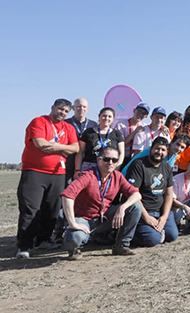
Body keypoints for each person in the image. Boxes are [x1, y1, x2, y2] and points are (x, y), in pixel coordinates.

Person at [16, 99, 79, 258]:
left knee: (52, 209)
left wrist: (55, 146)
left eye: (66, 111)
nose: (63, 113)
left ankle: (43, 240)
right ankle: (25, 245)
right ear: (53, 107)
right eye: (60, 109)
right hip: (34, 171)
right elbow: (40, 143)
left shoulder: (68, 127)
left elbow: (76, 148)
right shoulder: (39, 122)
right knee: (31, 209)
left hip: (58, 174)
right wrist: (64, 149)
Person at [61, 146, 141, 259]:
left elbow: (136, 194)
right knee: (75, 237)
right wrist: (72, 222)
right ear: (99, 159)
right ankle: (73, 248)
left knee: (135, 207)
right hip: (84, 219)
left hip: (104, 218)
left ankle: (121, 245)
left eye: (114, 160)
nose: (111, 163)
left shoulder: (117, 176)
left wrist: (122, 208)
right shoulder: (88, 175)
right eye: (106, 159)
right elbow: (67, 195)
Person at [126, 137, 178, 247]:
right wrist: (147, 218)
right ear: (151, 148)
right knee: (152, 239)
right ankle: (128, 232)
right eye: (157, 149)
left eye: (163, 150)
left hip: (159, 211)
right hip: (143, 211)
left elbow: (169, 195)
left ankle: (156, 230)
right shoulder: (138, 165)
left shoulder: (167, 167)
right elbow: (133, 194)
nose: (159, 152)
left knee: (172, 235)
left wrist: (164, 217)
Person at [75, 107, 125, 176]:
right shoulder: (88, 132)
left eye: (109, 116)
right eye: (104, 116)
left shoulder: (117, 134)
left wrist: (115, 168)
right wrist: (77, 169)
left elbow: (121, 153)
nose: (106, 118)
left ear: (113, 119)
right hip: (89, 166)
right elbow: (80, 152)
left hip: (109, 167)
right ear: (99, 117)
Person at [122, 133, 190, 176]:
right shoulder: (157, 150)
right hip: (129, 174)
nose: (178, 148)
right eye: (177, 144)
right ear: (171, 142)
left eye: (182, 147)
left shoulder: (174, 155)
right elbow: (136, 163)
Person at [64, 98, 97, 182]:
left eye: (84, 107)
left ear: (88, 108)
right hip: (68, 159)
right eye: (78, 106)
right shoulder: (65, 123)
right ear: (73, 108)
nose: (81, 109)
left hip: (86, 160)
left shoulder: (93, 125)